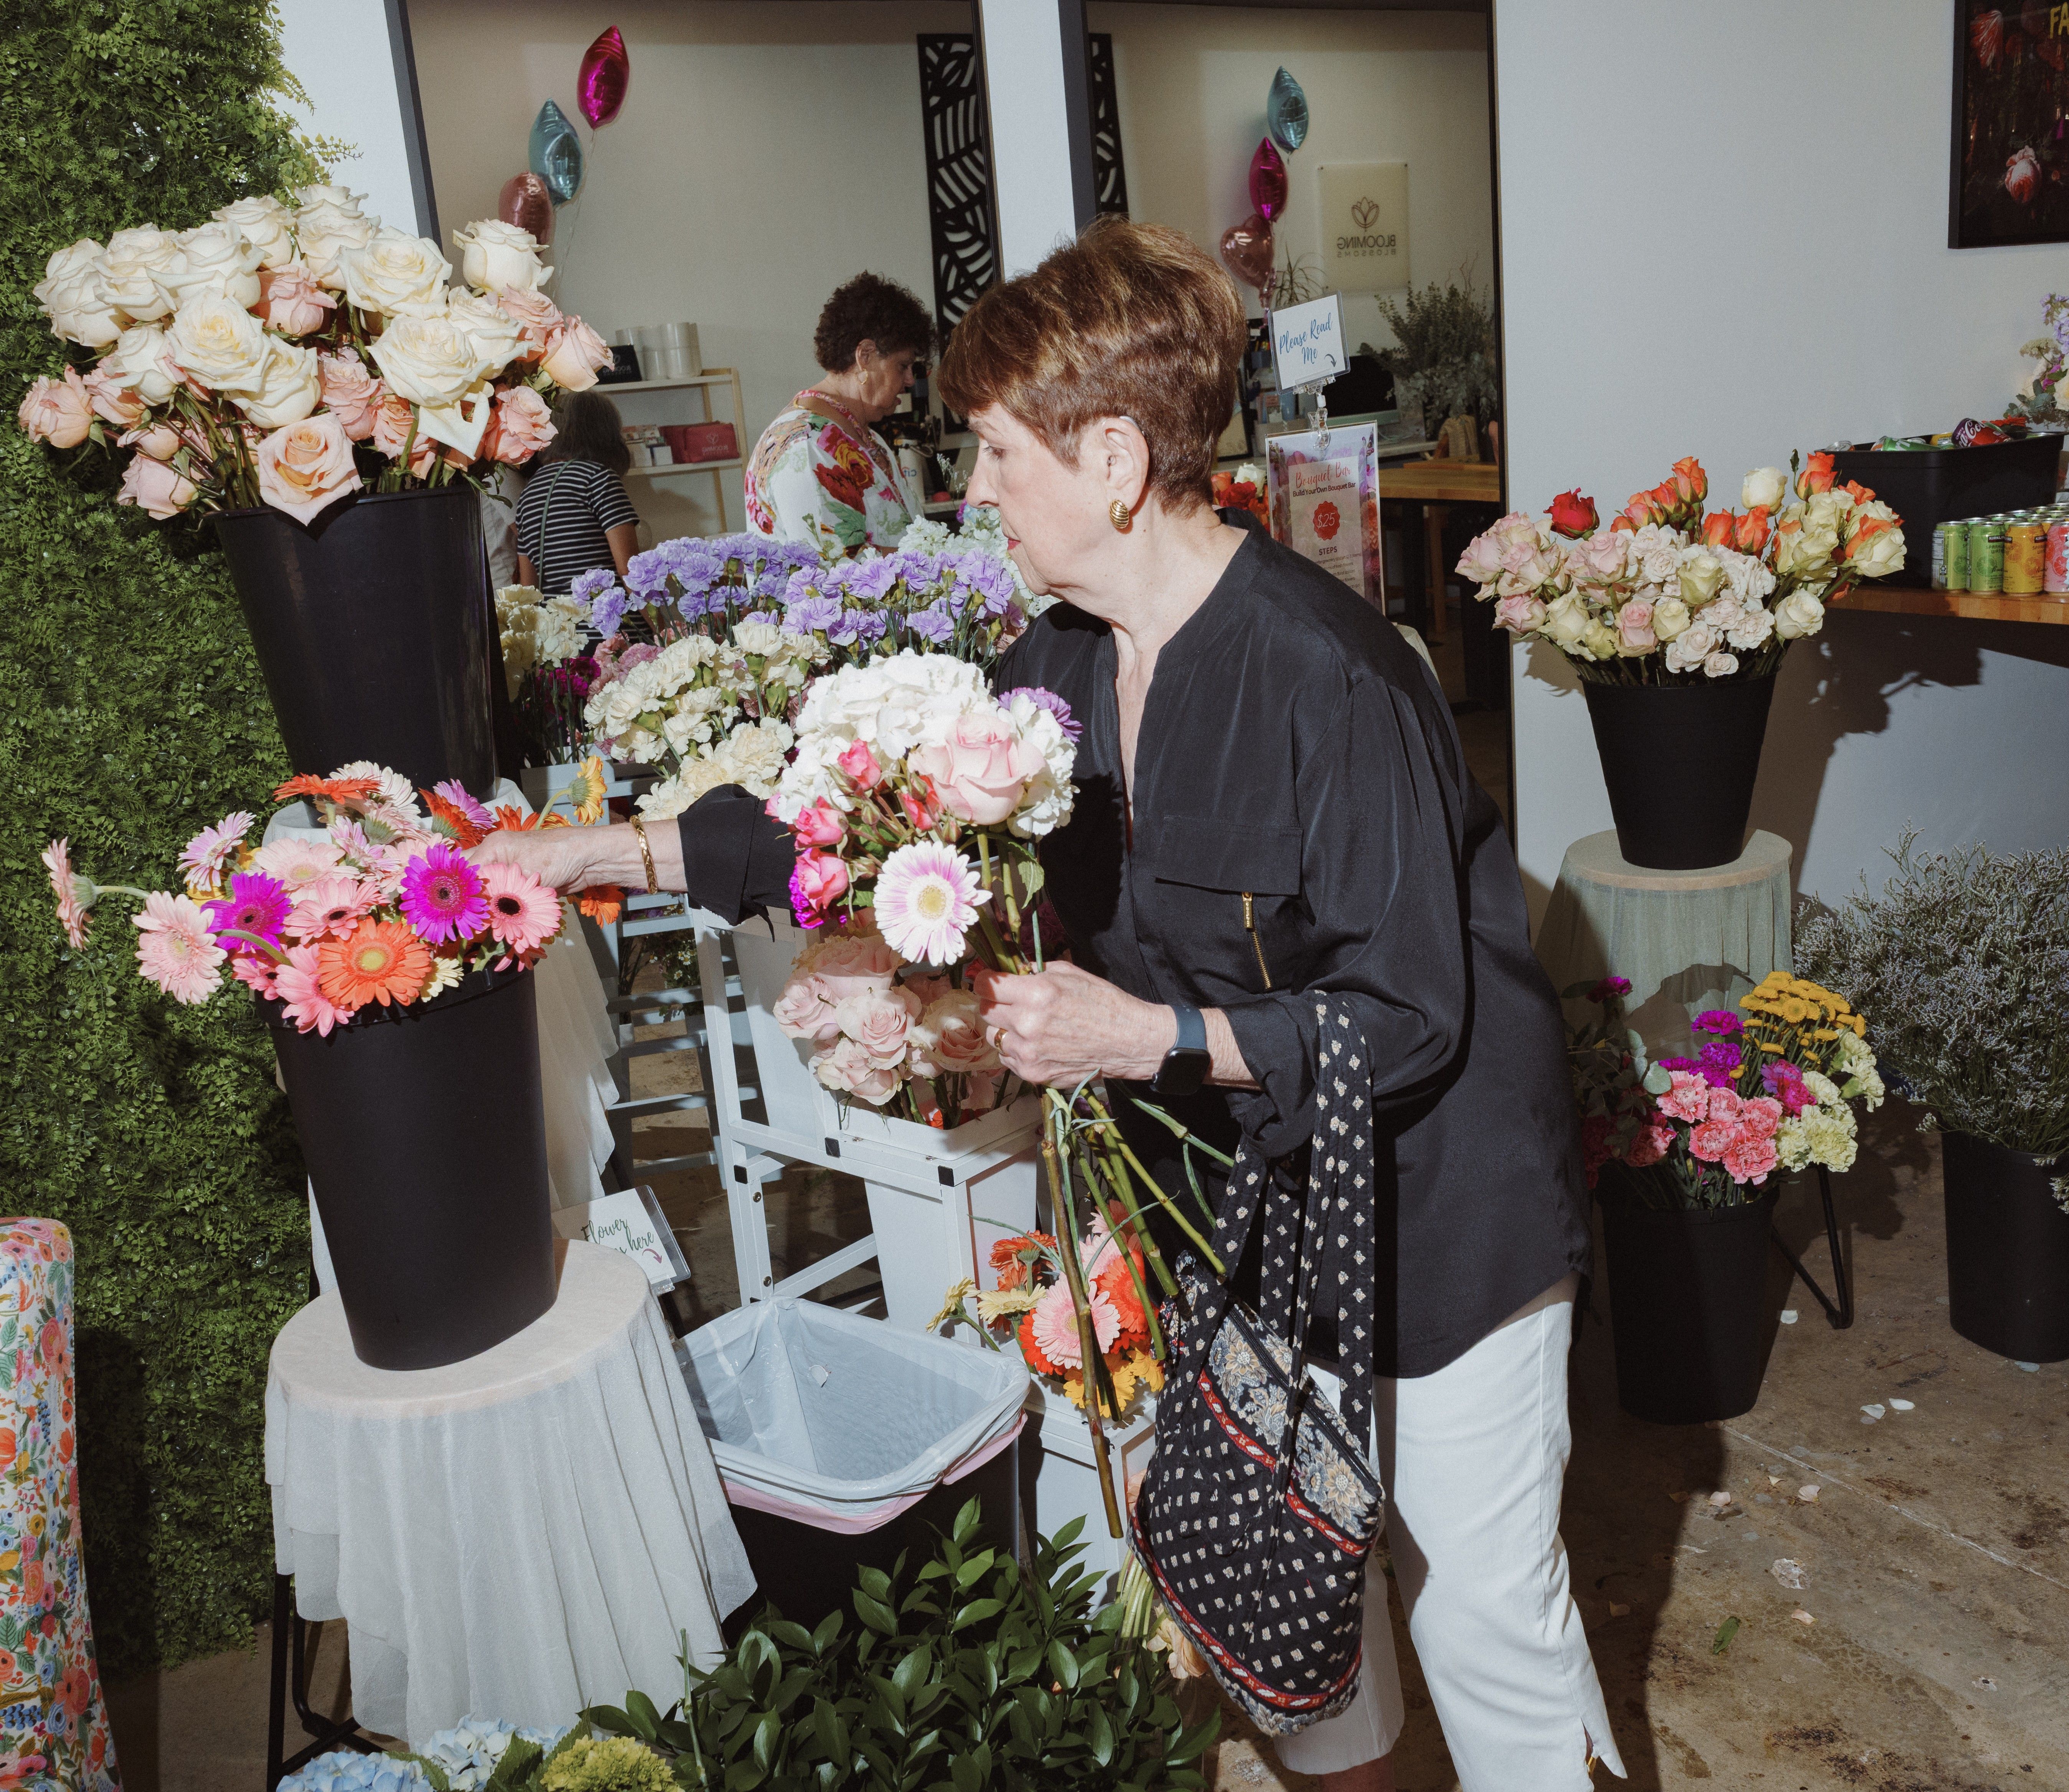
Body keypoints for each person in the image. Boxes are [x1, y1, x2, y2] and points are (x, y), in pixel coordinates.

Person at [479, 219, 1624, 1792]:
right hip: (1249, 1205)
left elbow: (1413, 1016)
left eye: (998, 453)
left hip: (1440, 1217)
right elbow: (854, 819)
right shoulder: (1070, 657)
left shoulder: (1331, 674)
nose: (972, 489)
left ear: (1113, 460)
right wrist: (605, 849)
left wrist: (1144, 1037)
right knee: (1288, 1574)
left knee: (1483, 1613)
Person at [744, 272, 933, 556]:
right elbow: (832, 565)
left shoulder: (864, 436)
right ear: (865, 356)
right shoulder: (807, 447)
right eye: (903, 366)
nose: (910, 380)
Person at [513, 390, 641, 595]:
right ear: (605, 434)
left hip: (555, 615)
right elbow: (630, 571)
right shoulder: (599, 478)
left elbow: (529, 588)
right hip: (607, 614)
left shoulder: (530, 491)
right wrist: (657, 616)